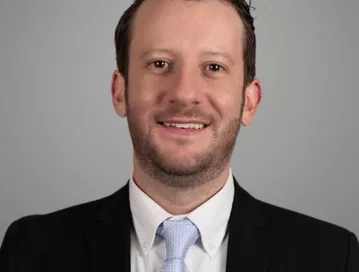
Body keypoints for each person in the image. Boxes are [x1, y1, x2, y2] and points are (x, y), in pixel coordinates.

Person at [1, 0, 358, 271]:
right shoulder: (29, 250)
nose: (185, 93)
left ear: (249, 102)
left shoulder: (332, 257)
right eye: (160, 64)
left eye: (214, 68)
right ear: (119, 92)